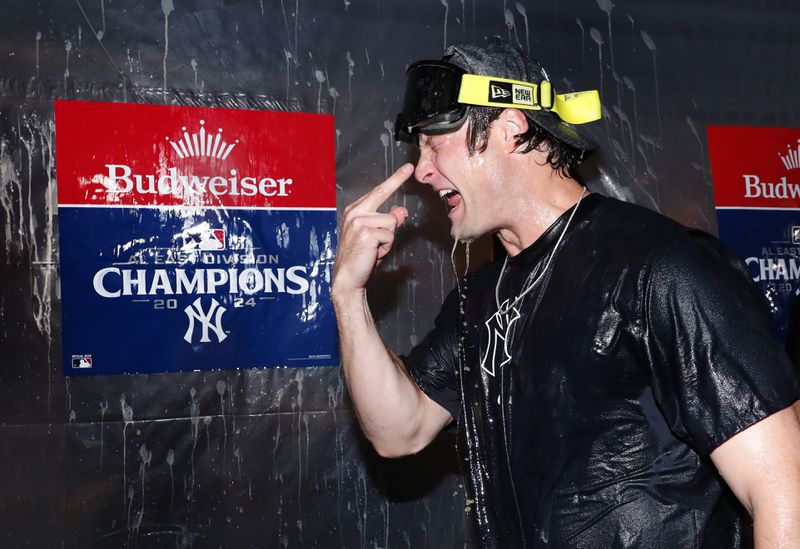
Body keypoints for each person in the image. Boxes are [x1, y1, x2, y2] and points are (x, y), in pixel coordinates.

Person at [332, 36, 800, 548]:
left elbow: (782, 487)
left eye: (435, 141)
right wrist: (349, 297)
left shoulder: (657, 265)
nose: (421, 171)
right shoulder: (481, 295)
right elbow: (400, 431)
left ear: (510, 130)